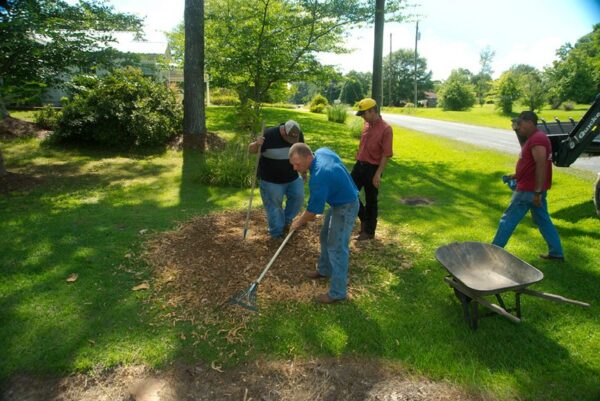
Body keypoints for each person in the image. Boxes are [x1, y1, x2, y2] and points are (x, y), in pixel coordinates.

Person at [289, 143, 359, 304]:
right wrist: (305, 171)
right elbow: (336, 163)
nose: (294, 168)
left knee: (337, 247)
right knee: (325, 236)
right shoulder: (321, 152)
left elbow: (313, 213)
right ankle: (324, 270)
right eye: (293, 164)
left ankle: (337, 292)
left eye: (297, 164)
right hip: (339, 202)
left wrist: (298, 222)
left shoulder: (319, 178)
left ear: (308, 157)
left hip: (346, 206)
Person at [492, 111, 564, 261]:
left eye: (521, 124)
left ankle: (493, 252)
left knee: (508, 219)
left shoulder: (537, 139)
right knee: (543, 220)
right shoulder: (534, 138)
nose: (519, 128)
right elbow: (530, 164)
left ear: (530, 122)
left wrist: (537, 193)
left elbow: (541, 165)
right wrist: (516, 175)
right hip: (532, 189)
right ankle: (556, 252)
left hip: (529, 191)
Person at [248, 120, 305, 239]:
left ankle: (286, 222)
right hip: (271, 179)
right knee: (274, 206)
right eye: (288, 138)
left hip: (292, 177)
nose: (291, 142)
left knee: (298, 197)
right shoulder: (268, 135)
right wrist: (257, 144)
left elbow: (301, 154)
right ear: (283, 130)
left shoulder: (297, 135)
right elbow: (251, 150)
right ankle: (276, 234)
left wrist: (303, 173)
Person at [351, 98, 393, 240]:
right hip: (359, 166)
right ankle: (363, 219)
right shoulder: (366, 125)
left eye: (364, 114)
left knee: (371, 200)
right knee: (350, 193)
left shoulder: (386, 129)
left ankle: (369, 232)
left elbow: (386, 154)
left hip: (372, 169)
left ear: (373, 111)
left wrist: (377, 174)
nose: (362, 116)